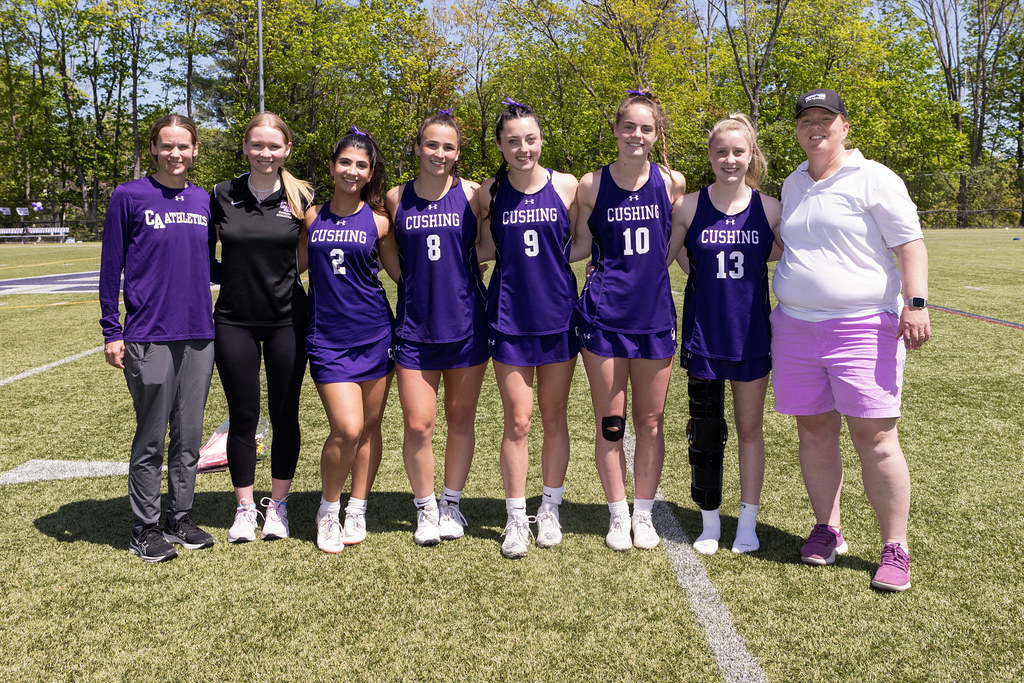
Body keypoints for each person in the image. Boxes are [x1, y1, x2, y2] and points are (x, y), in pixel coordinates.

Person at [772, 89, 930, 592]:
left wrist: (917, 303)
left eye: (825, 119)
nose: (814, 127)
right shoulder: (792, 182)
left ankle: (895, 547)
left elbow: (910, 242)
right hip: (795, 326)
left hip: (862, 327)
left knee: (877, 439)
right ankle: (828, 528)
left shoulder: (874, 177)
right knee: (814, 432)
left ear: (844, 126)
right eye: (805, 121)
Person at [99, 114, 216, 562]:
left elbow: (210, 264)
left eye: (183, 147)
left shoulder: (204, 199)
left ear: (195, 150)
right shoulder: (129, 196)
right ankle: (144, 526)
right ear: (153, 149)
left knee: (188, 434)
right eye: (167, 146)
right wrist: (113, 329)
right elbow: (112, 269)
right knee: (150, 435)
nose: (175, 154)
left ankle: (180, 516)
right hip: (147, 332)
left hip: (199, 335)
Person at [574, 90, 686, 551]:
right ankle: (618, 515)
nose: (636, 135)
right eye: (629, 127)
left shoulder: (672, 182)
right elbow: (577, 245)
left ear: (656, 134)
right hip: (604, 317)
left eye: (646, 128)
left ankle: (644, 513)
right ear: (616, 130)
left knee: (652, 420)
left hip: (655, 316)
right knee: (611, 423)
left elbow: (681, 245)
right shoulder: (592, 185)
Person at [667, 113, 782, 555]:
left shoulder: (769, 208)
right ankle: (710, 520)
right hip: (704, 336)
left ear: (751, 155)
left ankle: (747, 523)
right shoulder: (690, 206)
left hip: (751, 336)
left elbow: (785, 255)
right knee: (707, 430)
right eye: (721, 152)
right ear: (710, 156)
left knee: (751, 430)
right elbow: (671, 257)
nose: (730, 159)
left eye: (738, 152)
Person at [476, 99, 581, 558]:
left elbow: (581, 243)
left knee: (554, 417)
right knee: (517, 420)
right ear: (500, 145)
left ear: (542, 140)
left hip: (558, 317)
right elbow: (482, 247)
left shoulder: (568, 185)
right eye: (513, 141)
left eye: (531, 139)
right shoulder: (489, 192)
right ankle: (517, 517)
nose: (523, 148)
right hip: (509, 318)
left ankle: (550, 508)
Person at [380, 110, 487, 546]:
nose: (439, 153)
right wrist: (414, 287)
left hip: (467, 326)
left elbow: (488, 246)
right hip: (415, 328)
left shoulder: (474, 194)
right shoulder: (394, 196)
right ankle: (425, 508)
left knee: (461, 420)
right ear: (418, 147)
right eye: (431, 144)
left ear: (457, 152)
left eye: (448, 147)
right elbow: (391, 256)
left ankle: (451, 505)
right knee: (418, 424)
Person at [210, 112, 313, 544]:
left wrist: (281, 277)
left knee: (284, 414)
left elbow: (314, 251)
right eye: (257, 145)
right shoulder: (221, 193)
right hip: (234, 320)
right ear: (246, 147)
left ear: (287, 149)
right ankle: (245, 508)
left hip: (288, 320)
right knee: (244, 417)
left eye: (274, 146)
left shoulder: (303, 196)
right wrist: (232, 275)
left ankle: (279, 507)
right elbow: (202, 253)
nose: (265, 153)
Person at [299, 127, 394, 554]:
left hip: (375, 334)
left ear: (370, 172)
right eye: (345, 163)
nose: (352, 171)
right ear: (333, 165)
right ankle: (327, 509)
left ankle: (358, 506)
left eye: (361, 165)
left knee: (370, 427)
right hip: (327, 340)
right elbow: (290, 267)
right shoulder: (311, 216)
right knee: (347, 427)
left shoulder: (379, 221)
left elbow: (401, 275)